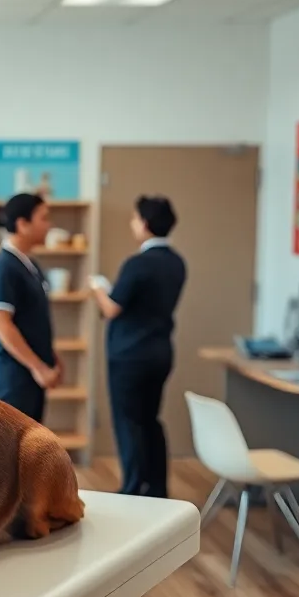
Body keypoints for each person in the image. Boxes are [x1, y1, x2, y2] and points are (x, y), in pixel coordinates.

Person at [89, 195, 187, 499]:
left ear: (144, 223)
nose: (133, 224)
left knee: (128, 422)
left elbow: (112, 309)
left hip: (129, 357)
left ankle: (132, 489)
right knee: (150, 420)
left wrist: (98, 288)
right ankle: (156, 487)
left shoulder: (138, 263)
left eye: (134, 219)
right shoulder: (176, 262)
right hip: (160, 352)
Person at [0, 193, 61, 422]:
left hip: (29, 373)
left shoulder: (29, 264)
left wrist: (51, 356)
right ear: (22, 224)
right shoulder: (4, 267)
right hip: (13, 376)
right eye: (44, 218)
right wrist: (38, 367)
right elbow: (0, 323)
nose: (50, 225)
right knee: (14, 450)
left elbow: (33, 318)